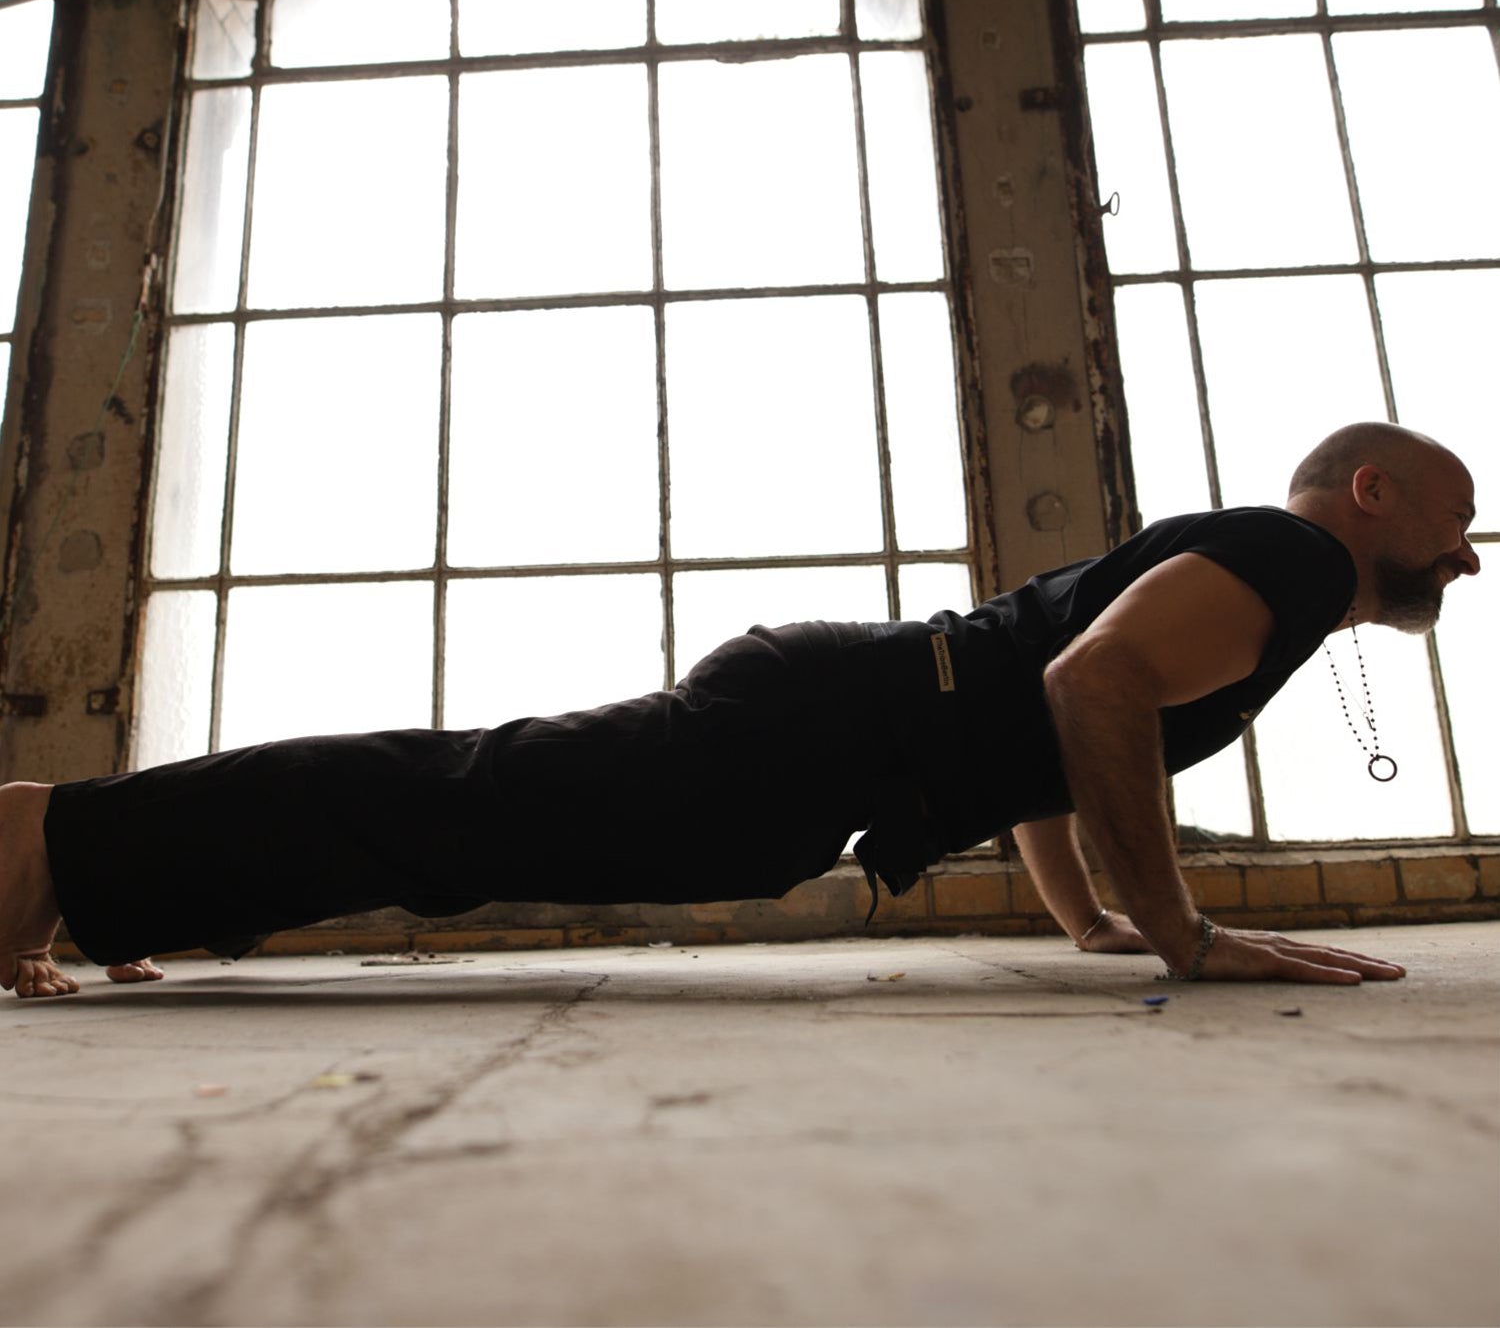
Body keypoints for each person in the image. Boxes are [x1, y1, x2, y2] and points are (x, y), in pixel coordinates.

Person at [0, 422, 1478, 999]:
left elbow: (1059, 732)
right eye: (1457, 524)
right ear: (1373, 496)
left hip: (827, 724)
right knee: (459, 807)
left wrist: (1084, 918)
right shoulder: (1290, 561)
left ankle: (98, 882)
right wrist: (1183, 934)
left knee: (462, 819)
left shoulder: (1256, 577)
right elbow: (1090, 692)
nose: (1466, 559)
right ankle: (50, 838)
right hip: (822, 722)